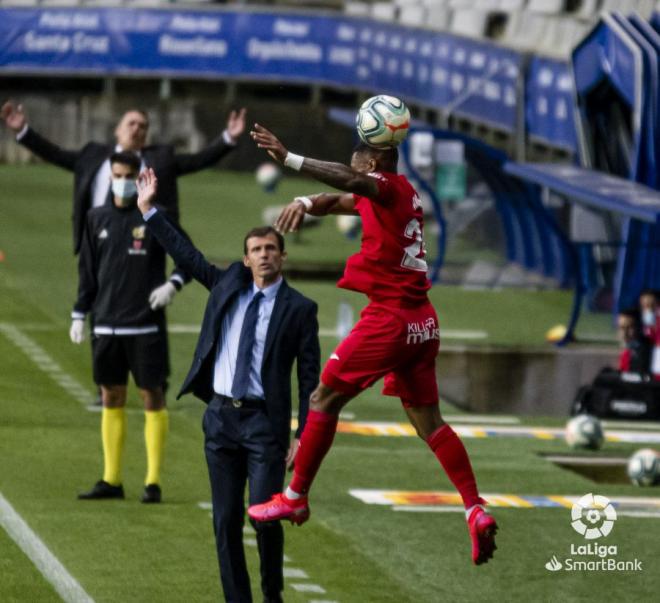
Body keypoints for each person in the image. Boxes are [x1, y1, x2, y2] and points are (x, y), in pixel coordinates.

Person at [247, 124, 498, 566]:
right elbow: (338, 199)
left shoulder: (381, 185)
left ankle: (295, 497)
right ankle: (474, 508)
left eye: (356, 161)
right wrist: (305, 202)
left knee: (323, 398)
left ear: (375, 162)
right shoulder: (398, 193)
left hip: (391, 319)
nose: (351, 167)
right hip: (422, 322)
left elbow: (351, 183)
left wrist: (290, 160)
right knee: (430, 424)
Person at [136, 167, 320, 603]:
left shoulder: (300, 309)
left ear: (282, 256)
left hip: (264, 427)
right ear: (245, 258)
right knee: (224, 521)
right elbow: (187, 251)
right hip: (219, 418)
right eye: (255, 250)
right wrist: (149, 210)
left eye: (271, 249)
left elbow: (309, 378)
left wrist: (304, 437)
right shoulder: (226, 286)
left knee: (263, 517)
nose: (263, 256)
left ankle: (272, 593)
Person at [72, 152, 189, 504]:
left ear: (139, 178)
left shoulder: (156, 217)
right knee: (111, 397)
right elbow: (88, 272)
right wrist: (80, 312)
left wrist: (173, 285)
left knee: (151, 396)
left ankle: (152, 482)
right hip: (106, 325)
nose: (122, 180)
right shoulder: (95, 218)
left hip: (144, 326)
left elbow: (186, 257)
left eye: (129, 175)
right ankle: (111, 479)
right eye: (117, 174)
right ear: (110, 176)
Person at [1, 101, 246, 254]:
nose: (136, 128)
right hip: (98, 240)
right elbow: (55, 154)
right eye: (131, 123)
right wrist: (23, 131)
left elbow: (198, 160)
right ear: (117, 129)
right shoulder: (93, 155)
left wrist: (229, 138)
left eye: (142, 125)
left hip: (142, 244)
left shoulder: (160, 160)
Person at [616, 308, 651, 374]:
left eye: (629, 328)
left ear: (640, 328)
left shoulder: (649, 352)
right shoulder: (626, 353)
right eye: (621, 328)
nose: (624, 333)